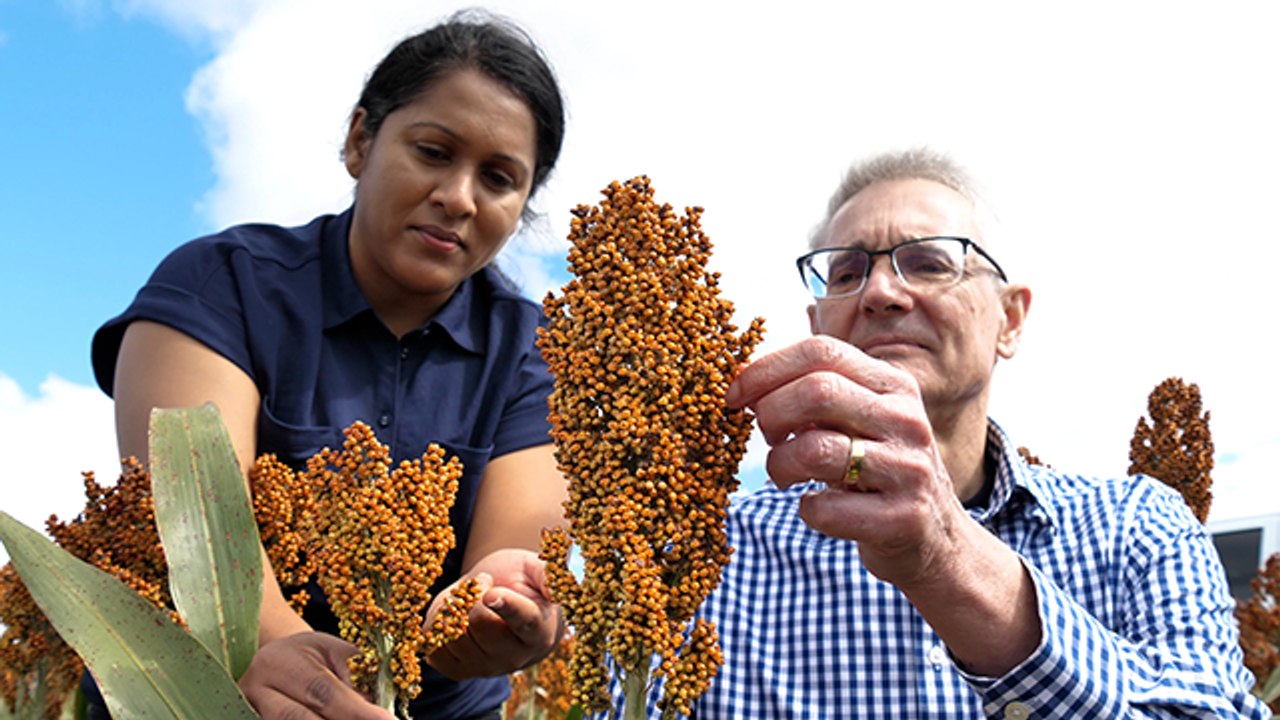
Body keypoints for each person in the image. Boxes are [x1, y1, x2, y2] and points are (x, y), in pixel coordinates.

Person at [649, 148, 1269, 718]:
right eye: (846, 273)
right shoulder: (715, 558)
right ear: (817, 324)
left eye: (928, 262)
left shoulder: (1137, 529)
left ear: (1011, 319)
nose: (882, 292)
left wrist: (946, 555)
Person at [89, 10, 567, 720]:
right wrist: (300, 667)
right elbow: (202, 536)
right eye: (434, 151)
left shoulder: (538, 351)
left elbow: (513, 555)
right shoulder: (220, 286)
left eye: (498, 178)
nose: (459, 197)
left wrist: (494, 611)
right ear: (359, 140)